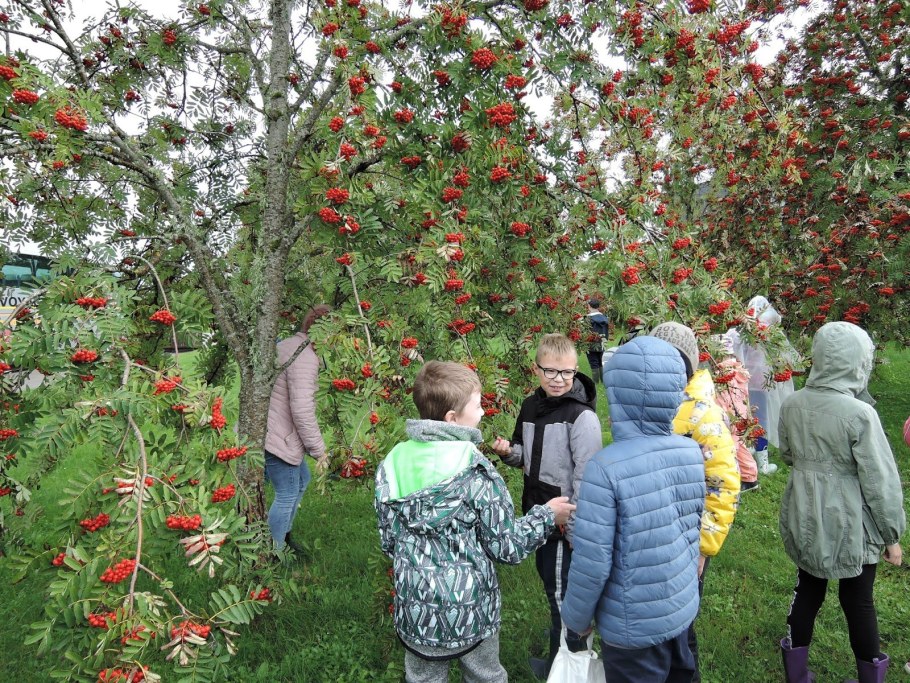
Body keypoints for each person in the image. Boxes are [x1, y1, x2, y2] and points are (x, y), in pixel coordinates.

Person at [375, 361, 575, 683]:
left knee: (423, 679)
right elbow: (507, 546)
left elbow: (389, 540)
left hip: (416, 607)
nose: (483, 412)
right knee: (485, 676)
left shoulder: (392, 463)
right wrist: (547, 515)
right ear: (452, 419)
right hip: (471, 610)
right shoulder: (474, 471)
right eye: (477, 405)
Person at [561, 335, 706, 683]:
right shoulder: (690, 452)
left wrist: (576, 619)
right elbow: (690, 529)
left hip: (631, 627)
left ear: (617, 395)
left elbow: (592, 561)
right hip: (680, 607)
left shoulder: (605, 468)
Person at [778, 322, 905, 683]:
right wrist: (891, 535)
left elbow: (787, 454)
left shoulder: (792, 403)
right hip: (853, 522)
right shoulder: (859, 414)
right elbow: (880, 481)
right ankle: (870, 677)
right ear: (858, 361)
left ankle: (796, 674)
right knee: (858, 599)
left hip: (805, 512)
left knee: (807, 589)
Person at [491, 333, 602, 678]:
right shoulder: (530, 406)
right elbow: (525, 455)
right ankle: (560, 656)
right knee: (553, 590)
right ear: (536, 369)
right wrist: (508, 453)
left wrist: (575, 531)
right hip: (538, 516)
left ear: (576, 371)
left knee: (564, 601)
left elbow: (587, 479)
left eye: (567, 372)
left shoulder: (581, 417)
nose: (559, 380)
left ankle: (568, 667)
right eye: (551, 371)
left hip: (562, 525)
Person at [649, 322, 740, 683]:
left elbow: (724, 485)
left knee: (681, 625)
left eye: (675, 361)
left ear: (688, 366)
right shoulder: (654, 399)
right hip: (657, 531)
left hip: (689, 539)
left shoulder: (703, 413)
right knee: (660, 616)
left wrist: (703, 546)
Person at [263, 304, 330, 553]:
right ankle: (273, 552)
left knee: (302, 479)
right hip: (278, 436)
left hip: (269, 429)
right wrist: (319, 451)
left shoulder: (289, 345)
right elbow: (302, 411)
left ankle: (284, 537)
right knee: (287, 493)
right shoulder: (305, 358)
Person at [729, 295, 798, 475]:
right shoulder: (770, 334)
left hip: (740, 383)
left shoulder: (740, 332)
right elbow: (789, 358)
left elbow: (727, 348)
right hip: (761, 384)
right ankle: (763, 463)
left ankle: (743, 453)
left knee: (742, 417)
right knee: (761, 421)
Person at [714, 356, 760, 492]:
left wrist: (720, 415)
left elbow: (724, 400)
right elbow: (744, 397)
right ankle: (749, 478)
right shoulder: (739, 373)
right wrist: (747, 414)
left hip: (730, 418)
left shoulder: (723, 376)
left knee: (731, 449)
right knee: (740, 448)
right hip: (740, 416)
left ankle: (729, 478)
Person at [584, 298, 610, 383]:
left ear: (589, 306)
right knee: (601, 361)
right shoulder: (605, 318)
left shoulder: (587, 319)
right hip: (602, 343)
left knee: (593, 361)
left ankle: (595, 381)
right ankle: (603, 380)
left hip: (591, 343)